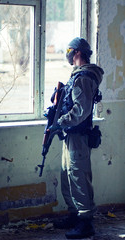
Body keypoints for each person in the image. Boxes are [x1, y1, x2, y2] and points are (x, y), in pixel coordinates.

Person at [52, 37, 104, 239]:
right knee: (68, 174)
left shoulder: (83, 77)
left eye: (70, 51)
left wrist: (61, 121)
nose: (68, 55)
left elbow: (81, 110)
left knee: (79, 176)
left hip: (78, 135)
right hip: (70, 134)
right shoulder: (77, 76)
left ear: (78, 53)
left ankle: (86, 222)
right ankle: (74, 215)